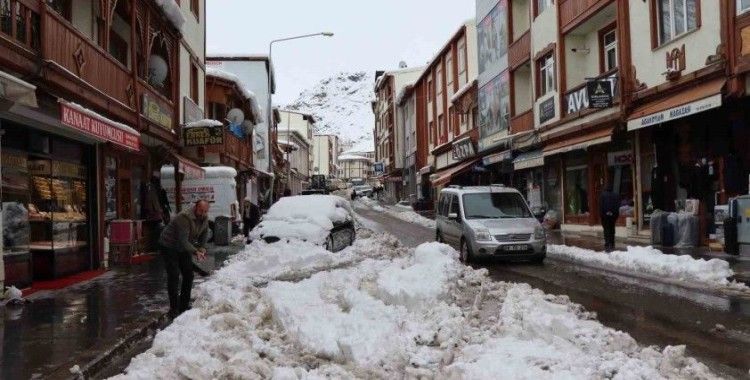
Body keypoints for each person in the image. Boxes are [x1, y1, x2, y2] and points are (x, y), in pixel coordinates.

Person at [158, 200, 210, 318]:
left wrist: (202, 248)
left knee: (188, 274)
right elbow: (183, 240)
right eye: (201, 210)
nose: (202, 213)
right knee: (174, 274)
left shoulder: (205, 217)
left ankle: (184, 305)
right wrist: (195, 251)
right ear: (195, 207)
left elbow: (204, 233)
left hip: (183, 247)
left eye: (205, 211)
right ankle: (174, 308)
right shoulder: (184, 217)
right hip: (169, 245)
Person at [599, 181, 620, 252]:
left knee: (606, 230)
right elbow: (617, 206)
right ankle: (612, 243)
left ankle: (607, 244)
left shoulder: (602, 195)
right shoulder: (616, 195)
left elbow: (601, 206)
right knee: (612, 229)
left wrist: (602, 215)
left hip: (605, 216)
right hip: (613, 216)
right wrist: (615, 214)